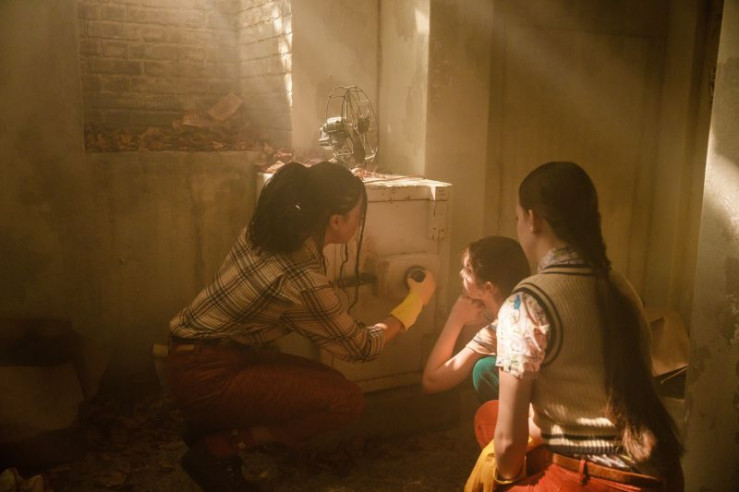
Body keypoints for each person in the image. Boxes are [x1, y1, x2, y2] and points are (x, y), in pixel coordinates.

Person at [167, 161, 436, 491]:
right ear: (336, 221)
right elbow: (362, 347)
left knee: (328, 381)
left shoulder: (263, 233)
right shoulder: (303, 279)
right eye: (359, 215)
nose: (360, 222)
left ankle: (207, 427)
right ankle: (218, 447)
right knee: (345, 400)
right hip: (208, 376)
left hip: (192, 357)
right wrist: (415, 302)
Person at [466, 162, 684, 491]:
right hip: (661, 473)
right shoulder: (620, 286)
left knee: (490, 461)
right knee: (491, 420)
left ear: (533, 219)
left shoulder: (526, 302)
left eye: (517, 217)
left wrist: (503, 484)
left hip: (594, 480)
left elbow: (509, 445)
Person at [421, 236, 530, 409]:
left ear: (488, 288)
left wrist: (456, 318)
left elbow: (431, 382)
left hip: (540, 407)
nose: (461, 274)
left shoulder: (501, 327)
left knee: (484, 370)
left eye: (468, 271)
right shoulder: (526, 303)